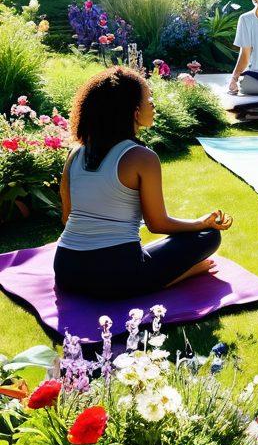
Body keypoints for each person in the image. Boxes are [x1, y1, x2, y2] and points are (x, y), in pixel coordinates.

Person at [54, 66, 233, 297]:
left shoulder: (76, 153)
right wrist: (201, 223)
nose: (153, 104)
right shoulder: (143, 158)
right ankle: (183, 274)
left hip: (67, 271)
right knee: (209, 237)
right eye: (149, 99)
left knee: (136, 253)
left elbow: (67, 217)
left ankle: (159, 273)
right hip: (119, 277)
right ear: (135, 112)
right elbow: (157, 224)